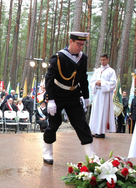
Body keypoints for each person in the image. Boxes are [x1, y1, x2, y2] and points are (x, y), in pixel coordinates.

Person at [43, 31, 97, 165]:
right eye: (78, 44)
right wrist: (50, 99)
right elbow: (49, 79)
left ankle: (90, 154)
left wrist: (86, 96)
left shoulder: (82, 58)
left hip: (73, 95)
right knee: (53, 124)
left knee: (81, 123)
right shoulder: (58, 57)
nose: (80, 47)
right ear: (71, 42)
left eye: (83, 45)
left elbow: (83, 78)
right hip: (57, 94)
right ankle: (47, 151)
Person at [89, 53, 117, 138]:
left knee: (103, 112)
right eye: (101, 60)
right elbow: (91, 82)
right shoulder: (97, 70)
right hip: (97, 93)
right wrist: (95, 83)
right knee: (96, 111)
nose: (102, 61)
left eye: (104, 60)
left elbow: (113, 83)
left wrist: (103, 83)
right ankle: (96, 130)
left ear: (107, 60)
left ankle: (102, 132)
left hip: (105, 94)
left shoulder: (111, 71)